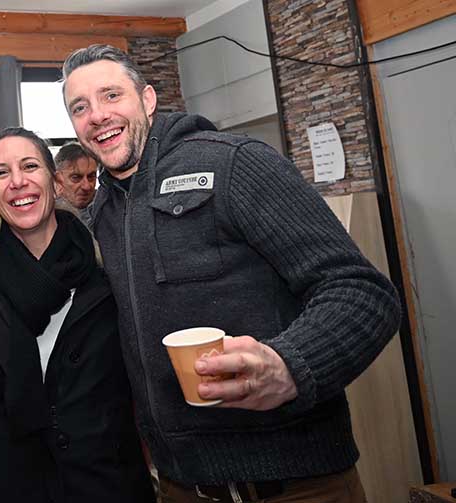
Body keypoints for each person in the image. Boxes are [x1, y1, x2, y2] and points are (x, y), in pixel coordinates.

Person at [61, 44, 401, 503]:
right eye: (80, 107)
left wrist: (291, 366)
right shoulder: (104, 208)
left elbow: (362, 291)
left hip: (296, 485)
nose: (97, 115)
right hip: (183, 486)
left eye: (111, 95)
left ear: (147, 99)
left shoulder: (235, 164)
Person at [0, 127, 155, 503]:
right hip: (6, 484)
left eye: (29, 166)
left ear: (56, 184)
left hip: (103, 482)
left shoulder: (108, 272)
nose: (18, 181)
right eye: (1, 173)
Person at [54, 141, 98, 224]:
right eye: (76, 178)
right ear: (57, 180)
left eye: (91, 176)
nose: (86, 186)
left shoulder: (110, 208)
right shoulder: (44, 216)